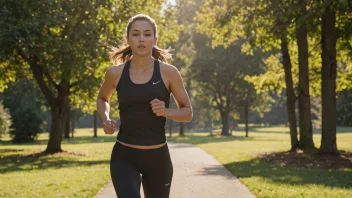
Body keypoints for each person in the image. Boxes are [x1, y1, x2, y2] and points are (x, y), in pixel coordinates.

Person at [96, 14, 193, 198]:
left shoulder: (169, 73)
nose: (141, 39)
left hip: (158, 159)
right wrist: (105, 118)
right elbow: (102, 98)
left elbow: (187, 112)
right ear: (128, 38)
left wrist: (166, 111)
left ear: (155, 39)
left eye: (147, 34)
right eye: (136, 34)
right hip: (124, 157)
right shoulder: (115, 73)